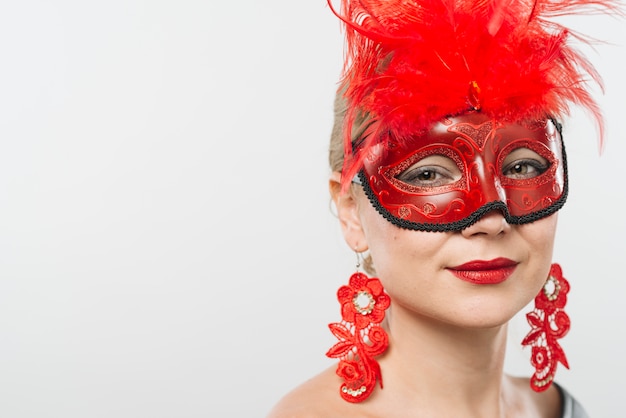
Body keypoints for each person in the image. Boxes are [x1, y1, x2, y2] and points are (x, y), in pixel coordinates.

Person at [268, 0, 618, 416]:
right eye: (428, 176)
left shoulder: (553, 406)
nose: (491, 218)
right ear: (351, 212)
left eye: (523, 165)